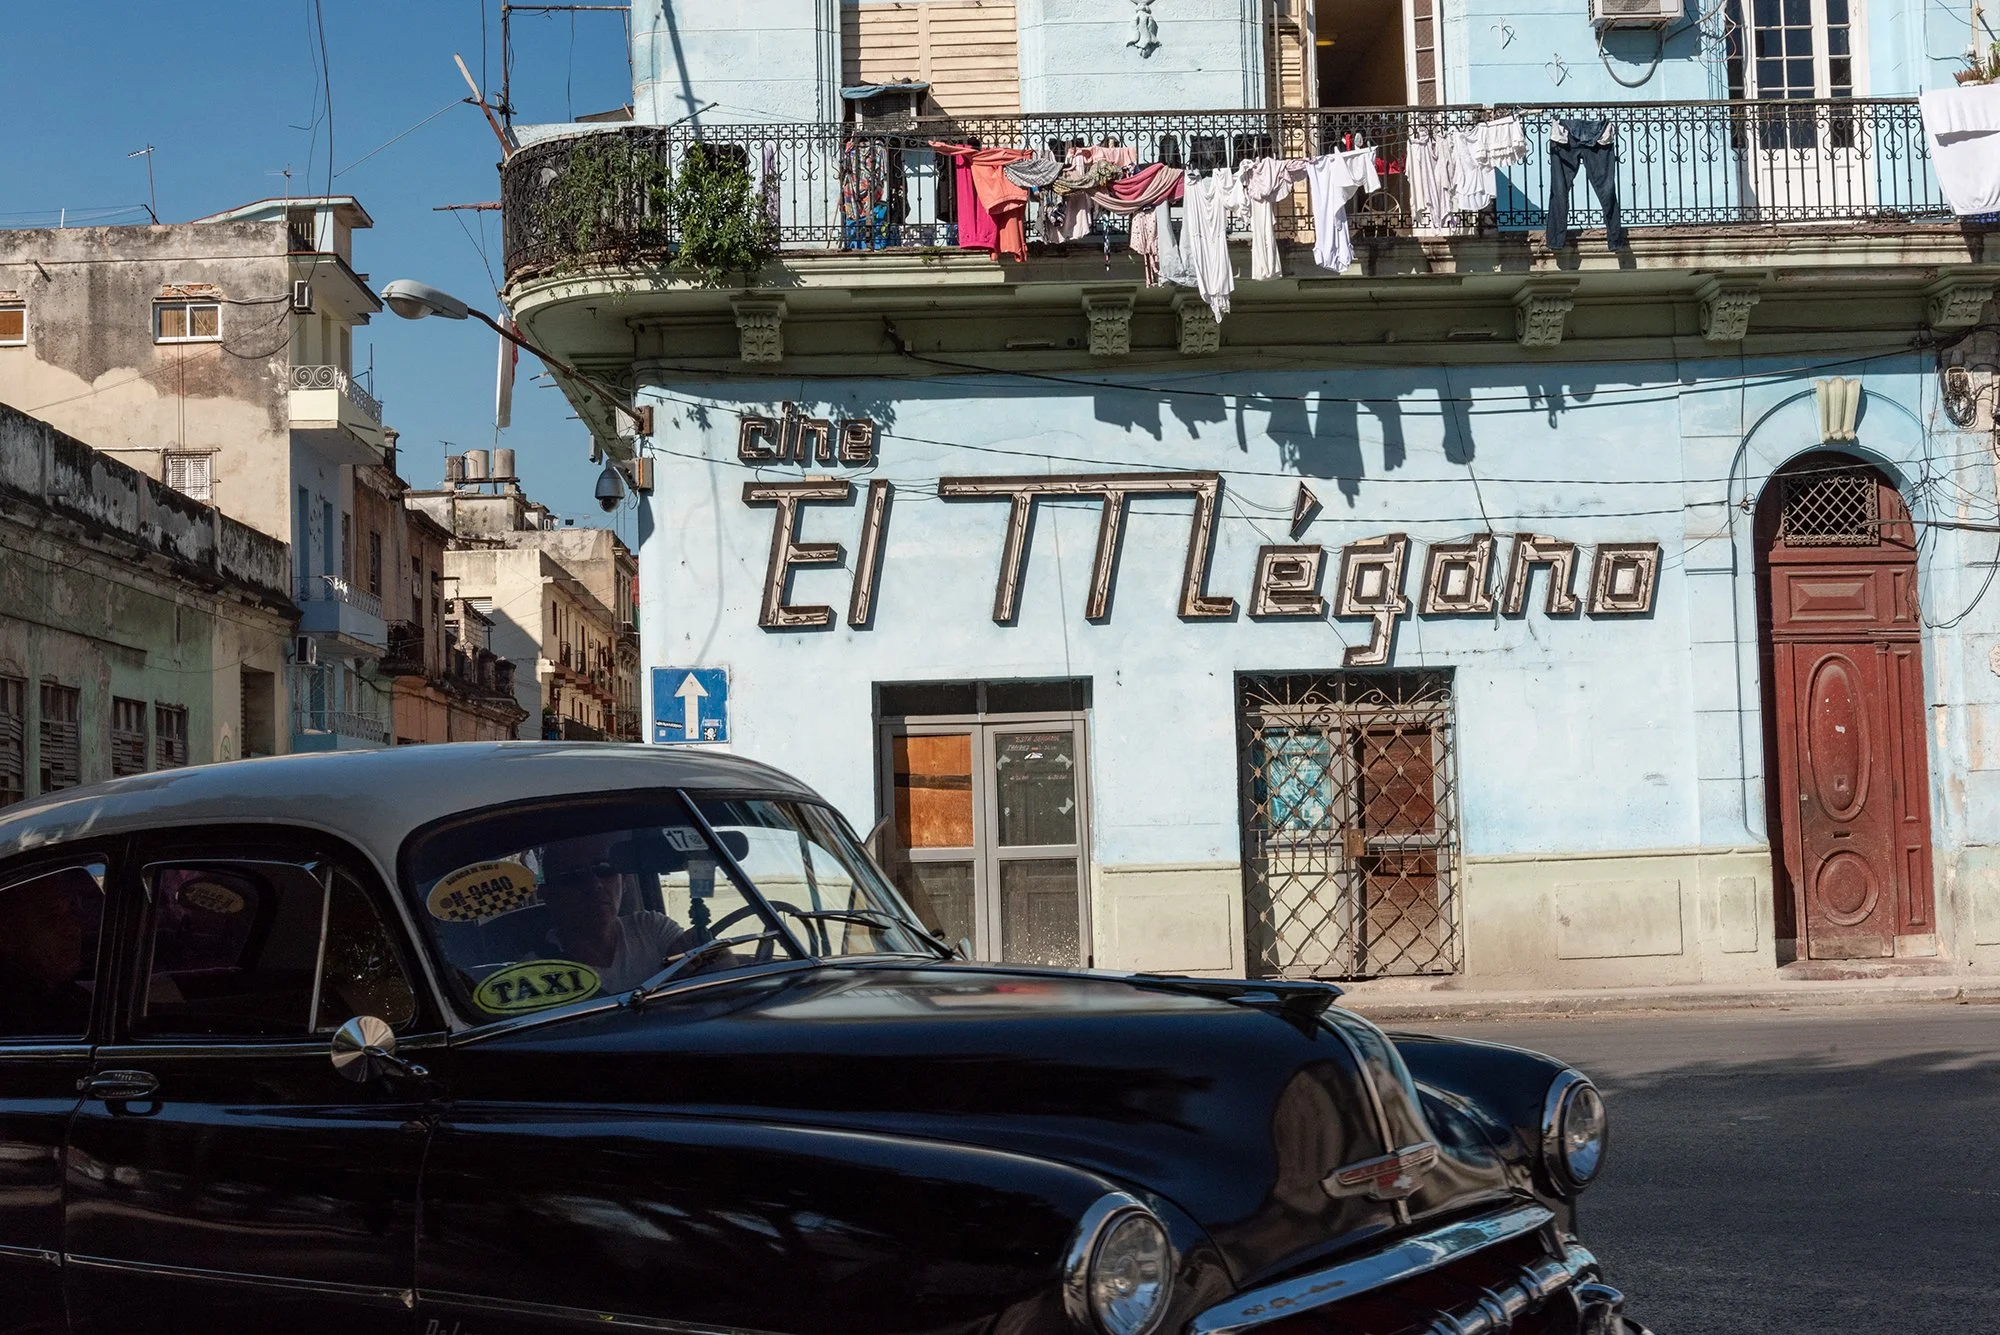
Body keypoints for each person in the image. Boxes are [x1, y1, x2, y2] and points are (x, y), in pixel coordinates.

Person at [535, 834, 704, 993]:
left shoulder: (651, 929)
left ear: (624, 881)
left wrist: (710, 956)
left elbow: (708, 976)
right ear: (548, 895)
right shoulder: (533, 975)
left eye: (604, 869)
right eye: (574, 876)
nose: (595, 884)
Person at [0, 871, 98, 1037]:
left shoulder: (63, 992)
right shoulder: (15, 1012)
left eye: (71, 914)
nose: (72, 929)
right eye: (52, 918)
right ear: (7, 935)